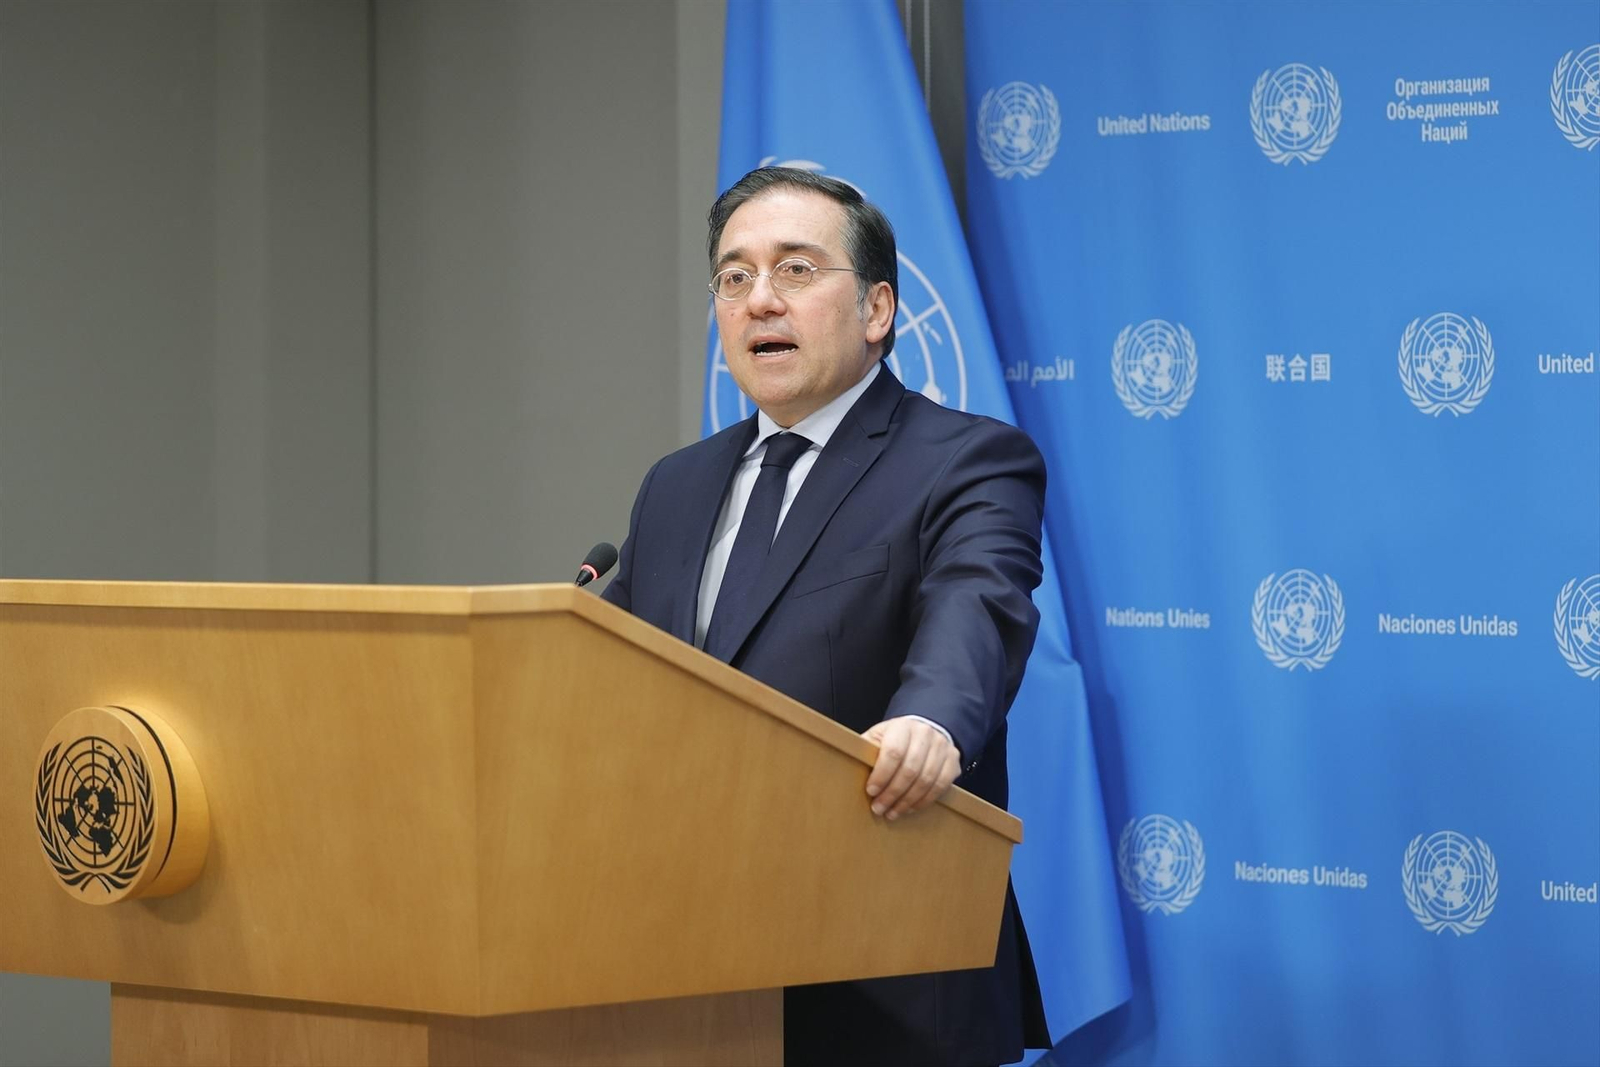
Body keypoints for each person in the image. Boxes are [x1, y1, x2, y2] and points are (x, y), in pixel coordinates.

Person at [602, 166, 1050, 1066]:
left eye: (796, 270)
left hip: (880, 969)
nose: (759, 299)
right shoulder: (676, 485)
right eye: (735, 277)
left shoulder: (965, 461)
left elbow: (977, 603)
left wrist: (930, 719)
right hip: (683, 968)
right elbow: (606, 672)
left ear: (879, 308)